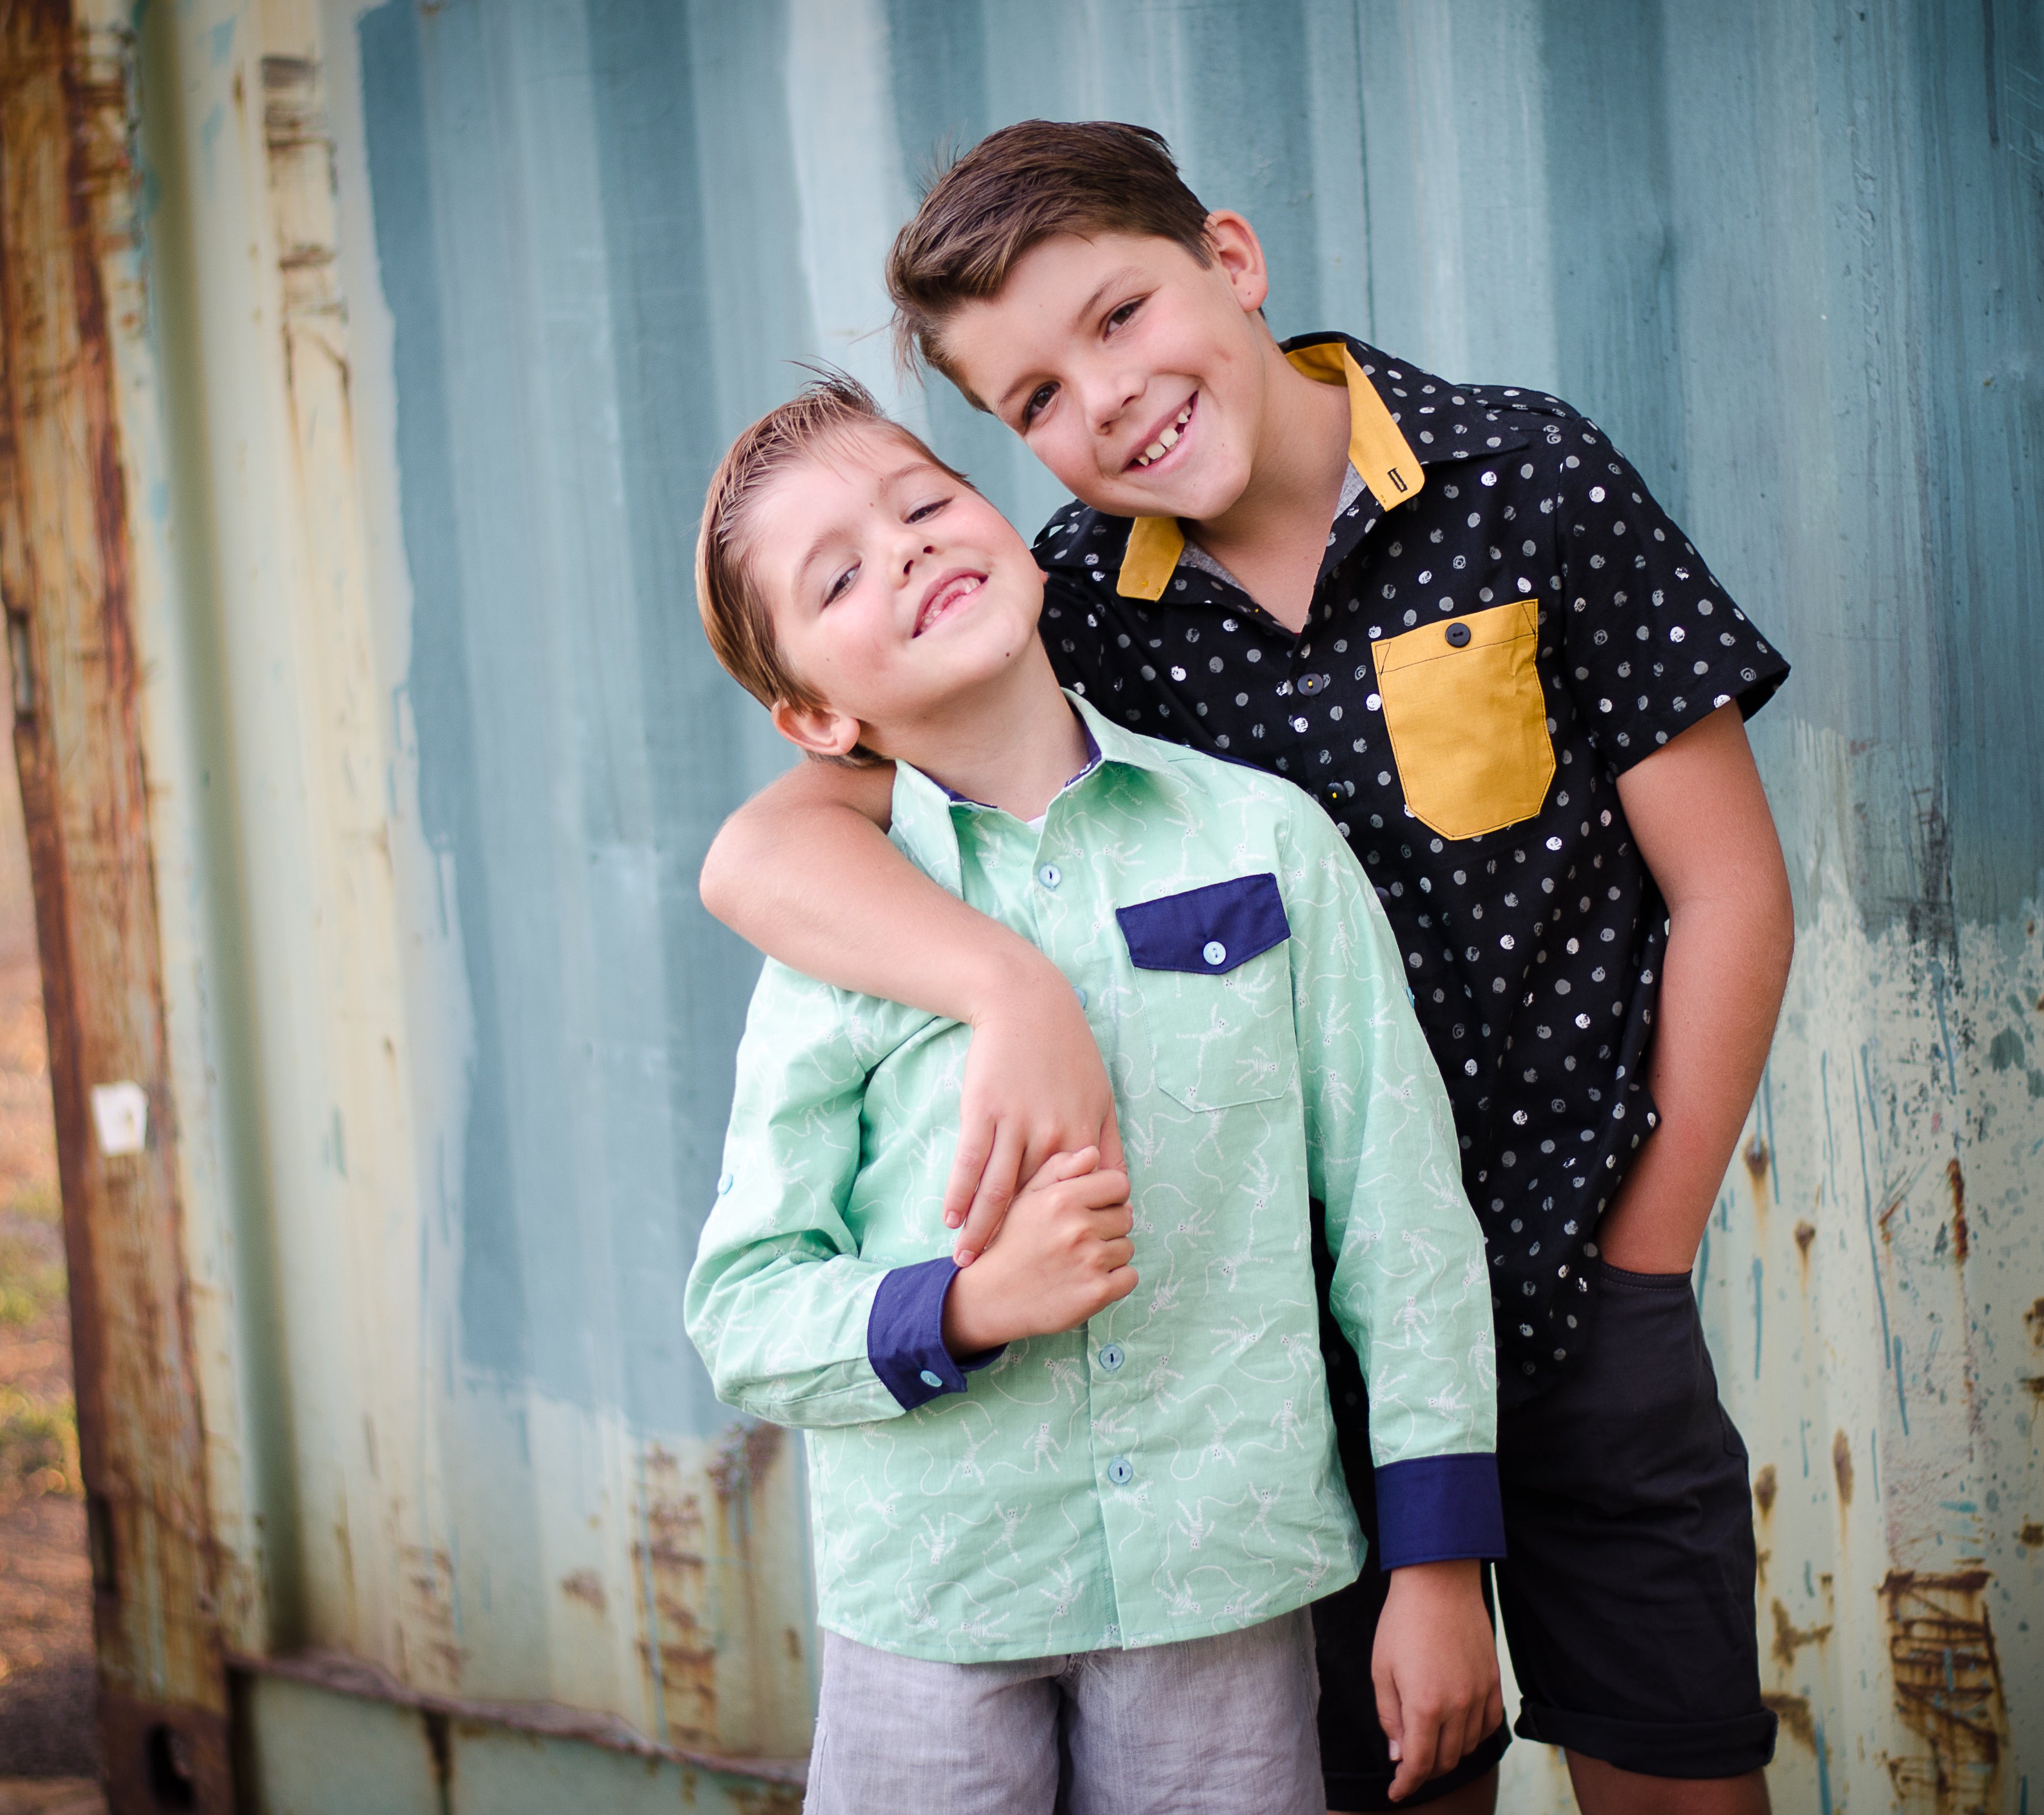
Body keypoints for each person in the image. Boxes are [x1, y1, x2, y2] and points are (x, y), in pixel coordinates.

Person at [700, 121, 1795, 1813]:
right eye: (1036, 399)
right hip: (1280, 1374)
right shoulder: (1061, 603)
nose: (1107, 399)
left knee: (1676, 1765)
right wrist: (1008, 986)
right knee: (1397, 1776)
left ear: (1230, 258)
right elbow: (762, 854)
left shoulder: (1525, 478)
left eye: (1122, 315)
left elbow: (1727, 890)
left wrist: (1647, 1255)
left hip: (1589, 1286)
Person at [681, 373, 1506, 1815]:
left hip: (1221, 1576)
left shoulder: (1261, 839)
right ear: (814, 715)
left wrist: (1438, 1567)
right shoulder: (835, 936)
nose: (907, 550)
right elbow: (742, 1310)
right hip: (938, 1593)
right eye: (839, 576)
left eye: (925, 504)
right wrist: (965, 1306)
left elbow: (1402, 1218)